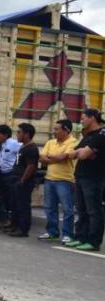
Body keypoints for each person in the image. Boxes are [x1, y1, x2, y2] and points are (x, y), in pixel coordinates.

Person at [64, 108, 105, 251]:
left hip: (93, 178)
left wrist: (83, 152)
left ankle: (93, 241)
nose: (81, 121)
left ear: (92, 118)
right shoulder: (89, 135)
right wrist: (82, 152)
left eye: (83, 118)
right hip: (80, 176)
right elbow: (72, 154)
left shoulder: (101, 134)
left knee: (94, 210)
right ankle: (81, 237)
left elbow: (82, 155)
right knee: (82, 210)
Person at [39, 119, 77, 244]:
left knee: (67, 209)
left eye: (57, 129)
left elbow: (65, 157)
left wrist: (50, 157)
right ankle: (52, 233)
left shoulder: (73, 142)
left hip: (65, 180)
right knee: (50, 208)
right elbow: (42, 159)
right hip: (49, 179)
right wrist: (56, 158)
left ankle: (67, 234)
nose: (54, 131)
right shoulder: (51, 142)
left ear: (66, 130)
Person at [8, 123, 39, 238]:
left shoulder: (31, 148)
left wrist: (22, 180)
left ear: (27, 134)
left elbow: (31, 166)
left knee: (23, 206)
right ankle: (14, 225)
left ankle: (23, 229)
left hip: (24, 181)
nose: (17, 134)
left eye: (19, 132)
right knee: (15, 204)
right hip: (16, 178)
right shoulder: (23, 146)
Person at [0, 124, 21, 232]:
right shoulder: (1, 145)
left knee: (12, 199)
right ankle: (5, 219)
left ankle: (14, 222)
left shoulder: (14, 144)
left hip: (10, 174)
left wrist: (16, 168)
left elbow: (21, 153)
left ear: (5, 135)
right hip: (1, 173)